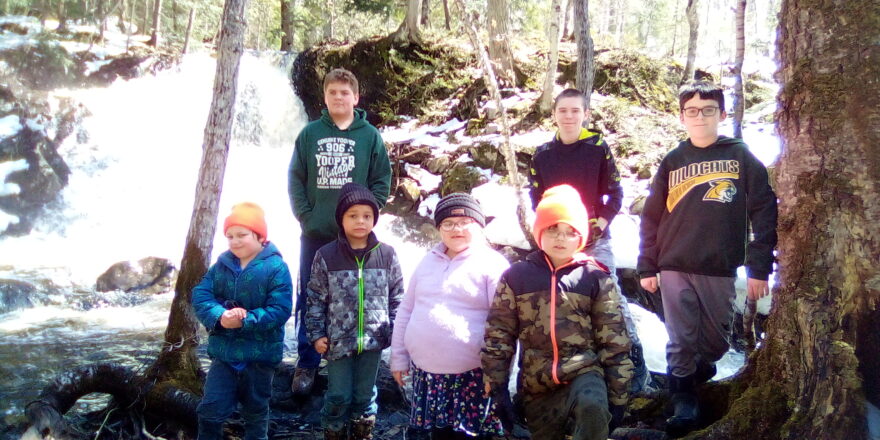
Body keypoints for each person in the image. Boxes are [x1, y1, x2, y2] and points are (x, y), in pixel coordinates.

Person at [637, 80, 778, 436]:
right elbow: (651, 216)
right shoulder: (673, 160)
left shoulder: (741, 156)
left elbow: (764, 210)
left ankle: (693, 373)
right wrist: (647, 264)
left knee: (715, 341)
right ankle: (683, 398)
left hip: (719, 265)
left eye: (708, 110)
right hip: (674, 264)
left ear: (722, 114)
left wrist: (760, 266)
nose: (700, 117)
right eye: (692, 111)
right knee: (681, 337)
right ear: (682, 116)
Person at [482, 184, 634, 440]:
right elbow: (499, 333)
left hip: (584, 372)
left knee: (592, 408)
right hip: (536, 381)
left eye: (570, 232)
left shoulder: (594, 277)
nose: (561, 238)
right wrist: (498, 388)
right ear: (539, 232)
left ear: (581, 237)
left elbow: (614, 339)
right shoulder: (517, 276)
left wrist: (619, 397)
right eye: (552, 229)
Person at [528, 87, 649, 393]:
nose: (568, 116)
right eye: (563, 110)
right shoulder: (542, 154)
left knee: (611, 299)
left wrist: (602, 220)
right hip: (556, 238)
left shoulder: (597, 147)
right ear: (554, 114)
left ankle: (635, 369)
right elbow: (536, 196)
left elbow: (615, 191)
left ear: (585, 114)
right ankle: (571, 368)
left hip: (595, 238)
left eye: (575, 110)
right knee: (560, 299)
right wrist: (548, 228)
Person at [288, 67, 392, 395]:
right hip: (317, 233)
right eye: (332, 92)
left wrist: (368, 213)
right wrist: (306, 215)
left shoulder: (369, 136)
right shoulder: (310, 134)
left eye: (344, 93)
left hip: (357, 235)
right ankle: (306, 363)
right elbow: (295, 178)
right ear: (325, 97)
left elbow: (381, 178)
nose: (338, 97)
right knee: (311, 296)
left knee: (358, 298)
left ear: (356, 97)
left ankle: (351, 362)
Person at [390, 193, 510, 439]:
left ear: (478, 226)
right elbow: (406, 310)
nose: (457, 229)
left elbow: (505, 324)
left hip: (472, 377)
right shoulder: (427, 262)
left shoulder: (493, 265)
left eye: (465, 222)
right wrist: (398, 357)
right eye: (448, 223)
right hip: (426, 377)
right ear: (439, 228)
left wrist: (496, 372)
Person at [305, 183, 403, 440]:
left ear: (374, 219)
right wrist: (316, 335)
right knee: (338, 395)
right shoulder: (326, 255)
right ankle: (334, 432)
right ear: (341, 219)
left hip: (373, 341)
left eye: (367, 216)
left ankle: (362, 434)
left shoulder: (387, 254)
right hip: (337, 341)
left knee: (365, 395)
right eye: (353, 215)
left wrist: (395, 331)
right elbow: (314, 298)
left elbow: (398, 297)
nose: (361, 221)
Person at [192, 202, 293, 440]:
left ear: (260, 236)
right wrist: (220, 316)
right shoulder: (220, 266)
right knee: (210, 412)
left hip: (259, 358)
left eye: (242, 235)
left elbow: (280, 309)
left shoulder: (276, 267)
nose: (235, 241)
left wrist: (245, 320)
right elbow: (201, 294)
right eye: (230, 236)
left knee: (256, 413)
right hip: (224, 355)